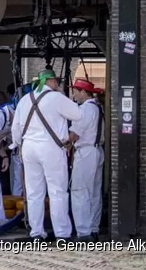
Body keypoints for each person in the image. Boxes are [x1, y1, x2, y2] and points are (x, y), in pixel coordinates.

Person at [11, 69, 81, 241]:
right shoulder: (56, 97)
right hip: (51, 147)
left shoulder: (24, 100)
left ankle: (36, 232)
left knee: (34, 192)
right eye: (56, 81)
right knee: (57, 191)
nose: (57, 84)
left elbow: (16, 128)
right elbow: (78, 114)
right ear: (51, 81)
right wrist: (62, 95)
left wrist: (19, 145)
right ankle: (62, 233)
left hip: (28, 147)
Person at [68, 79, 105, 242]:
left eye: (75, 91)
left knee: (79, 191)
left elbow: (74, 134)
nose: (73, 94)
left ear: (83, 92)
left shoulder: (83, 110)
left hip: (85, 151)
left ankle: (83, 232)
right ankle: (94, 228)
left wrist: (63, 144)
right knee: (95, 192)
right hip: (97, 150)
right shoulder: (98, 108)